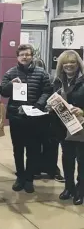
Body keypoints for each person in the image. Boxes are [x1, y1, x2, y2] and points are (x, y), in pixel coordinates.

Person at [0, 44, 52, 193]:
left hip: (35, 117)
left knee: (33, 149)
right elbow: (3, 92)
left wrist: (38, 105)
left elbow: (47, 91)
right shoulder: (11, 73)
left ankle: (29, 179)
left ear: (32, 56)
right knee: (18, 149)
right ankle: (20, 176)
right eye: (21, 55)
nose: (24, 57)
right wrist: (11, 84)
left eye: (27, 54)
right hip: (17, 117)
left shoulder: (41, 73)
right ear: (17, 57)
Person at [51, 50, 84, 205]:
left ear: (78, 64)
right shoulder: (58, 81)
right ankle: (68, 187)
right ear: (61, 65)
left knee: (82, 160)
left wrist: (82, 111)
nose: (69, 65)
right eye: (66, 63)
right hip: (63, 127)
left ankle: (80, 190)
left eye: (73, 62)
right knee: (67, 158)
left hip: (81, 128)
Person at [33, 58, 64, 182]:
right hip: (44, 115)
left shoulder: (52, 80)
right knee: (48, 144)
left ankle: (44, 169)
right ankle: (49, 169)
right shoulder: (51, 79)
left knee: (46, 144)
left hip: (47, 115)